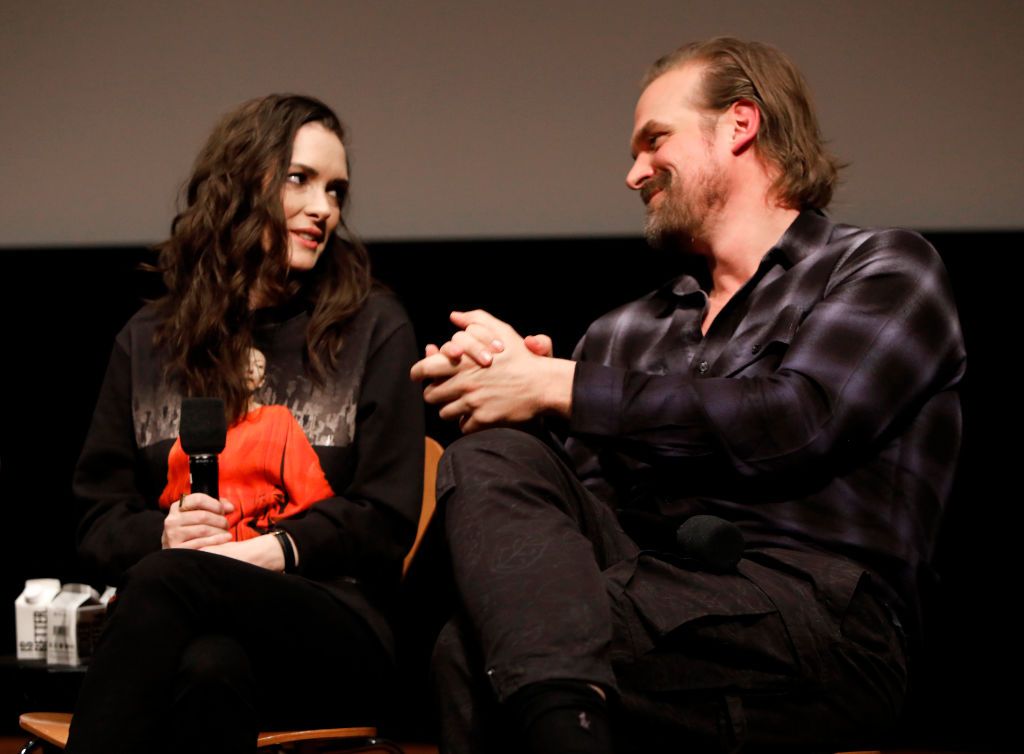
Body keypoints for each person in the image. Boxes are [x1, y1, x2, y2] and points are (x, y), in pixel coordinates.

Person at [411, 37, 966, 754]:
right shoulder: (626, 331)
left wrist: (563, 386)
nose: (634, 172)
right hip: (651, 590)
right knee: (498, 462)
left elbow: (797, 421)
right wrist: (510, 385)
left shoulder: (883, 270)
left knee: (489, 648)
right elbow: (577, 526)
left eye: (654, 140)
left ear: (740, 125)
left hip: (820, 618)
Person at [66, 93, 425, 754]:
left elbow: (384, 515)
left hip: (334, 626)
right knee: (209, 670)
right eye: (301, 180)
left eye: (337, 190)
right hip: (192, 631)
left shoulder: (374, 328)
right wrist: (165, 531)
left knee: (167, 582)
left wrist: (259, 553)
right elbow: (96, 521)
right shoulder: (148, 342)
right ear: (240, 184)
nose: (325, 208)